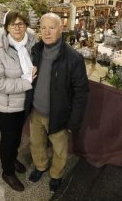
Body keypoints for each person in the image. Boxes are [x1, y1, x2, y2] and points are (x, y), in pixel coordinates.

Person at [24, 13, 89, 193]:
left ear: (61, 29)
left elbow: (81, 93)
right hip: (36, 111)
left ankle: (56, 175)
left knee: (60, 150)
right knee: (36, 144)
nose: (46, 32)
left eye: (51, 27)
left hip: (59, 115)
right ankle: (40, 166)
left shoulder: (73, 58)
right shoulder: (36, 51)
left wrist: (73, 121)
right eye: (43, 28)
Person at [0, 11, 37, 192]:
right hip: (5, 104)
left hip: (24, 102)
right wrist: (26, 82)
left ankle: (12, 157)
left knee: (17, 135)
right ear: (6, 27)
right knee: (8, 137)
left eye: (21, 24)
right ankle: (7, 172)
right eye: (13, 24)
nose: (18, 28)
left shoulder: (31, 44)